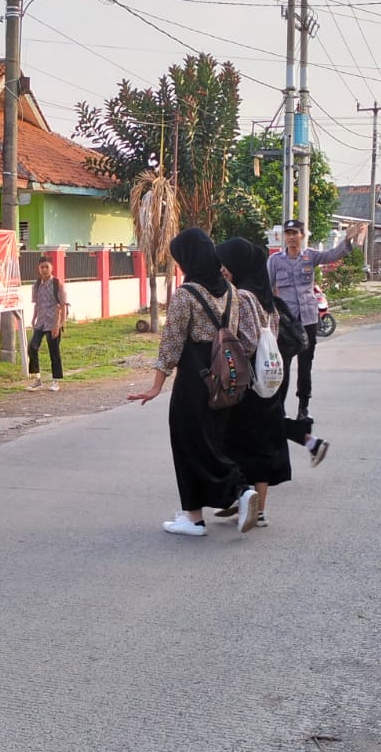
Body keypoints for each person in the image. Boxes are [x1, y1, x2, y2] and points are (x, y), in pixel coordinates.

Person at [127, 228, 257, 537]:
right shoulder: (231, 291)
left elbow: (171, 344)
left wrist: (156, 385)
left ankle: (237, 491)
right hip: (224, 378)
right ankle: (194, 516)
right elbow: (232, 334)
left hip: (194, 380)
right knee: (211, 441)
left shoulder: (185, 295)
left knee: (188, 445)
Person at [213, 237, 322, 531]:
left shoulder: (242, 296)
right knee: (262, 444)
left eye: (226, 263)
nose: (223, 269)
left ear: (239, 264)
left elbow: (248, 342)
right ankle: (258, 510)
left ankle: (244, 498)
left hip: (248, 384)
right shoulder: (266, 298)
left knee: (237, 442)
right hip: (270, 379)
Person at [266, 218, 362, 421]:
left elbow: (331, 255)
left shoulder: (310, 256)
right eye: (288, 233)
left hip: (308, 319)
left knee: (305, 365)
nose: (291, 237)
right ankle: (279, 409)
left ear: (302, 235)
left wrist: (347, 240)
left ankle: (303, 407)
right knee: (283, 365)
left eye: (295, 233)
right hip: (286, 322)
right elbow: (267, 288)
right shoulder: (275, 261)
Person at [26, 259, 68, 392]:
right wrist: (33, 318)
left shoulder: (57, 284)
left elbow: (63, 305)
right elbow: (37, 304)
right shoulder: (37, 284)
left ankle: (55, 381)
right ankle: (37, 378)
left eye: (46, 267)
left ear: (51, 268)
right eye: (42, 267)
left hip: (53, 322)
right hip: (41, 322)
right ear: (39, 269)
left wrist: (60, 324)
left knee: (54, 351)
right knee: (32, 347)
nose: (44, 270)